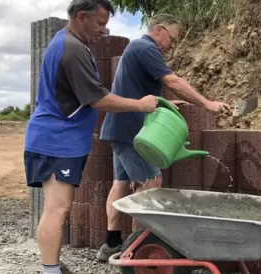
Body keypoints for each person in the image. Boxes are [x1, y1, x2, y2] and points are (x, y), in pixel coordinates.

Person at [24, 0, 161, 274]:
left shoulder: (70, 43)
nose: (103, 30)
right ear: (81, 17)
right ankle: (50, 270)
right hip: (56, 142)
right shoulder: (71, 49)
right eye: (99, 23)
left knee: (59, 206)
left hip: (60, 140)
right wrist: (141, 104)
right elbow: (98, 99)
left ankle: (52, 266)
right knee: (58, 209)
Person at [96, 13, 230, 261]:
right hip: (133, 130)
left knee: (121, 183)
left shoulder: (136, 49)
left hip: (120, 127)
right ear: (159, 30)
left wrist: (166, 101)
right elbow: (173, 80)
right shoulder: (145, 47)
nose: (171, 44)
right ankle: (135, 247)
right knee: (151, 182)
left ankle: (112, 244)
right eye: (171, 38)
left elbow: (136, 89)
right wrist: (206, 103)